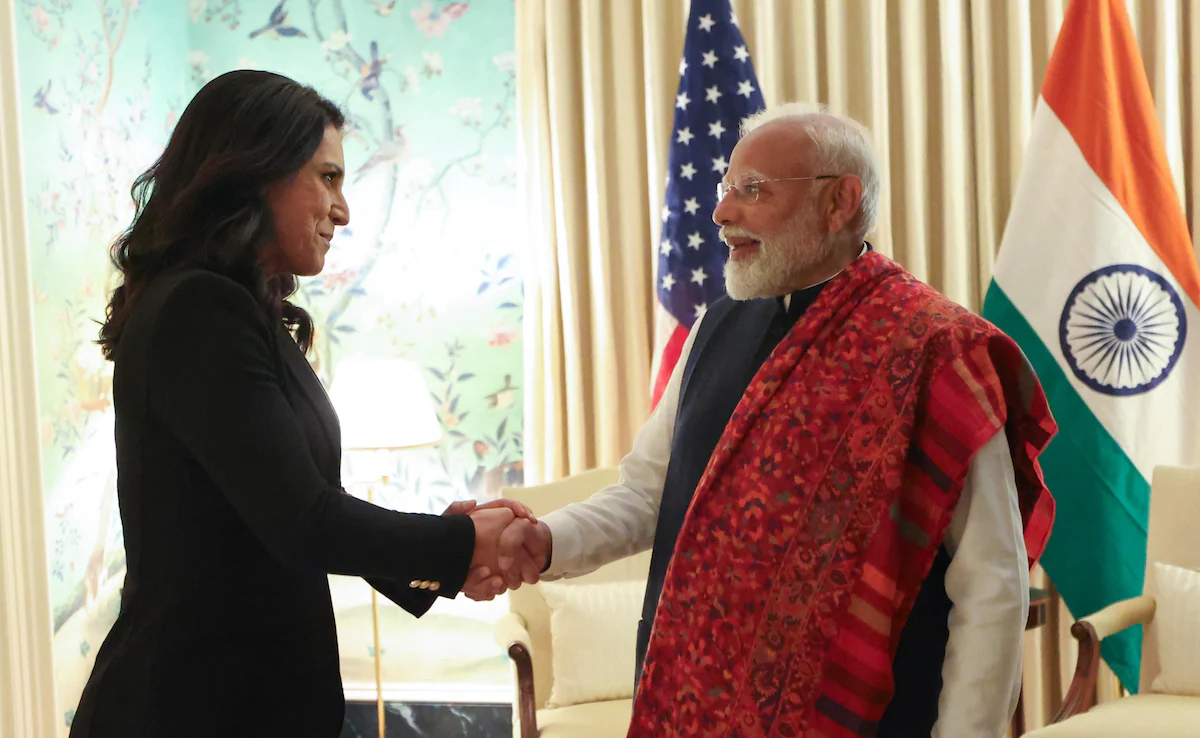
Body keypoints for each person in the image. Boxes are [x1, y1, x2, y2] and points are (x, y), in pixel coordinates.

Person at [493, 103, 1057, 737]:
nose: (722, 213)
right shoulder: (716, 327)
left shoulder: (937, 349)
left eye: (752, 191)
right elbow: (649, 493)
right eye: (725, 189)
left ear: (839, 201)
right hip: (692, 709)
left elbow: (992, 586)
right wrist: (546, 541)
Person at [70, 70, 520, 738]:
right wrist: (456, 546)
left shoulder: (244, 311)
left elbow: (293, 502)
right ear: (256, 172)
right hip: (191, 708)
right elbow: (302, 521)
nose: (344, 211)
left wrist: (444, 558)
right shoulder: (199, 309)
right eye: (329, 178)